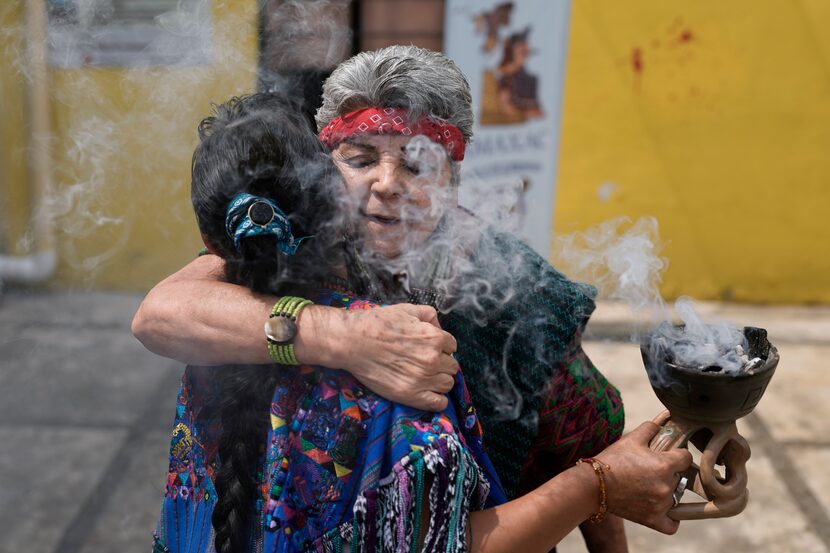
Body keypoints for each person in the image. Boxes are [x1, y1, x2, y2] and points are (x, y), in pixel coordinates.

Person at [134, 46, 683, 549]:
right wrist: (345, 337)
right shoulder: (293, 248)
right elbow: (160, 314)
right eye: (361, 158)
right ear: (324, 168)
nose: (387, 183)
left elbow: (592, 449)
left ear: (452, 180)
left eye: (417, 163)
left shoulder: (520, 297)